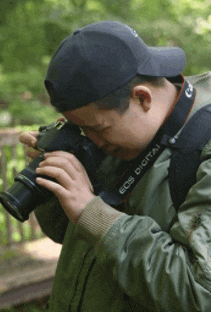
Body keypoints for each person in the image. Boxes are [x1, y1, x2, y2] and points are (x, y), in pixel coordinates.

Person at [20, 21, 211, 311]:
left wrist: (93, 213)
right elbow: (71, 238)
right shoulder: (117, 138)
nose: (93, 141)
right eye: (81, 129)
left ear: (142, 98)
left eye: (98, 128)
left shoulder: (202, 148)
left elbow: (198, 292)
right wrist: (54, 184)